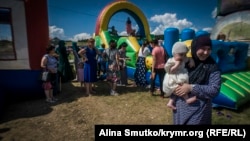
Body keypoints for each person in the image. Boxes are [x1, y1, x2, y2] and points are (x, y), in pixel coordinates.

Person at [172, 35, 222, 125]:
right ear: (195, 47)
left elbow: (214, 90)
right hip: (180, 108)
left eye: (209, 49)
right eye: (202, 48)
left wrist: (191, 88)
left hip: (199, 109)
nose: (206, 52)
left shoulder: (213, 67)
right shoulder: (186, 62)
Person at [163, 42, 196, 110]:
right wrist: (176, 65)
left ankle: (170, 102)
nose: (183, 57)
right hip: (173, 78)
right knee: (180, 88)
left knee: (176, 91)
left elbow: (188, 58)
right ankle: (187, 99)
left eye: (184, 55)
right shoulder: (171, 60)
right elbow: (170, 71)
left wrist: (191, 60)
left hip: (180, 76)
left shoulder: (183, 58)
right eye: (181, 55)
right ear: (174, 54)